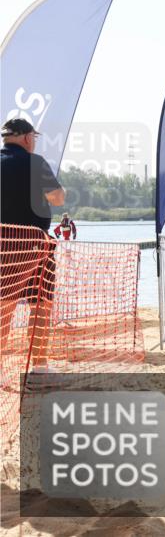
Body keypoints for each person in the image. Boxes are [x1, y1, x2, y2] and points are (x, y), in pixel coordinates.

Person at [1, 118, 66, 381]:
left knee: (4, 305)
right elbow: (57, 198)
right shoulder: (35, 163)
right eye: (34, 138)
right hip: (34, 243)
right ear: (27, 138)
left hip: (3, 243)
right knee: (41, 303)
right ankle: (38, 367)